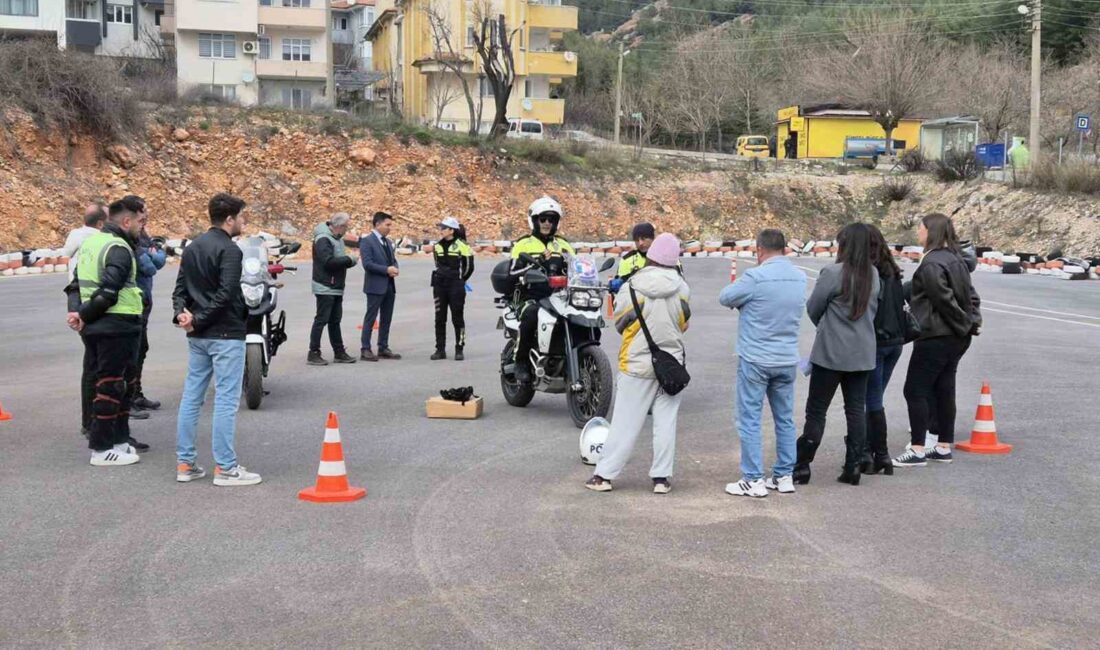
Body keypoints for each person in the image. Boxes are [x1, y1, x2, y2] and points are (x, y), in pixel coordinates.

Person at [586, 233, 690, 494]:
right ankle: (661, 479)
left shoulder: (631, 286)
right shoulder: (682, 288)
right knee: (665, 423)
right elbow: (684, 324)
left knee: (625, 422)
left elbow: (621, 323)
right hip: (671, 365)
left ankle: (604, 476)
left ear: (651, 256)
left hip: (636, 363)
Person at [172, 193, 261, 486]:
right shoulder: (231, 251)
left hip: (197, 336)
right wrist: (195, 318)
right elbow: (226, 294)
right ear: (229, 219)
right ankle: (225, 467)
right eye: (241, 217)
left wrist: (182, 315)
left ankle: (185, 463)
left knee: (192, 397)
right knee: (225, 400)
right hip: (224, 333)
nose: (243, 222)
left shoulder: (193, 247)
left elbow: (180, 289)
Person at [719, 229, 807, 498]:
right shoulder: (800, 277)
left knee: (750, 419)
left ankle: (753, 478)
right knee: (784, 419)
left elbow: (725, 297)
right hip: (786, 358)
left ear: (759, 251)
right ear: (785, 249)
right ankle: (783, 475)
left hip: (756, 357)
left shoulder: (755, 277)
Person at [793, 223, 880, 486]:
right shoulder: (873, 275)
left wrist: (828, 326)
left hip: (831, 352)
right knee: (855, 409)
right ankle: (853, 466)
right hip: (863, 352)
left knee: (817, 410)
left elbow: (813, 307)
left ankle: (803, 465)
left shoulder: (832, 272)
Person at [892, 214, 981, 468]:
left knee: (915, 389)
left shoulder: (931, 263)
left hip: (936, 335)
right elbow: (971, 297)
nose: (917, 233)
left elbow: (944, 301)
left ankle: (918, 448)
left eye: (920, 228)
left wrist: (963, 324)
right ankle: (943, 446)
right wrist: (971, 323)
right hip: (955, 339)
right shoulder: (956, 259)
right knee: (944, 388)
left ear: (930, 231)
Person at [64, 197, 146, 467]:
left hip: (102, 325)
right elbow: (109, 292)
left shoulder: (90, 244)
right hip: (115, 325)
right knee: (110, 386)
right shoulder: (118, 247)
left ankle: (119, 440)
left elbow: (75, 285)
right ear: (126, 221)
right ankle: (101, 448)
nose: (141, 227)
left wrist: (77, 313)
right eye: (140, 221)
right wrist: (84, 316)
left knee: (122, 384)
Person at [509, 196, 575, 384]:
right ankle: (520, 362)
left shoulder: (563, 245)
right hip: (528, 296)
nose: (547, 223)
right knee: (531, 314)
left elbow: (577, 268)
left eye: (552, 219)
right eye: (543, 219)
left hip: (559, 297)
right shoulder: (523, 244)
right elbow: (512, 272)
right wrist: (538, 265)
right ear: (535, 220)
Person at [861, 225, 906, 476]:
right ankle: (877, 453)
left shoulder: (869, 274)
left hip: (876, 342)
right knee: (875, 398)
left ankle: (875, 453)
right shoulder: (893, 271)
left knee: (871, 400)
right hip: (895, 342)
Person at [66, 201, 107, 439]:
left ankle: (90, 420)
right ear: (101, 222)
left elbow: (69, 269)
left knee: (91, 365)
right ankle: (95, 423)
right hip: (91, 307)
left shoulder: (76, 237)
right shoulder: (97, 243)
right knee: (98, 367)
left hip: (79, 303)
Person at [131, 197, 166, 425]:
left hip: (145, 300)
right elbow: (151, 265)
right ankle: (129, 398)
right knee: (133, 351)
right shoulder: (132, 240)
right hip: (135, 302)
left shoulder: (143, 235)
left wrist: (155, 252)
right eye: (143, 213)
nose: (146, 217)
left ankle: (137, 393)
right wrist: (155, 253)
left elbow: (158, 259)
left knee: (142, 348)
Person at [309, 212, 358, 366]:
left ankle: (339, 352)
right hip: (325, 285)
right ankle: (313, 352)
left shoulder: (337, 239)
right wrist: (349, 260)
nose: (346, 230)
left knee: (335, 321)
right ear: (340, 226)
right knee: (322, 319)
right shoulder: (323, 239)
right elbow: (328, 262)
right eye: (346, 227)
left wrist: (347, 261)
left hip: (335, 286)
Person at [359, 211, 402, 362]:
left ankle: (383, 346)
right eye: (387, 225)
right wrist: (386, 270)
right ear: (377, 224)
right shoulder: (367, 241)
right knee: (371, 317)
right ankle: (365, 348)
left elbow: (392, 259)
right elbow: (367, 264)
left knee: (386, 317)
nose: (389, 228)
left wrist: (394, 268)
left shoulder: (388, 242)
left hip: (389, 285)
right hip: (375, 285)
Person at [431, 216, 474, 361]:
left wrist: (461, 280)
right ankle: (440, 349)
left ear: (451, 230)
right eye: (441, 227)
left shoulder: (462, 245)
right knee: (439, 318)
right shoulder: (437, 246)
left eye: (443, 228)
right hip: (439, 286)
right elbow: (437, 263)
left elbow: (469, 267)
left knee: (458, 318)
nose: (441, 230)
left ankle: (459, 348)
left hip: (456, 286)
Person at [63, 200, 107, 282]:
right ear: (100, 224)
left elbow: (66, 254)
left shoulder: (75, 234)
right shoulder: (105, 239)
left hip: (74, 289)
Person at [609, 222, 655, 294]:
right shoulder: (626, 260)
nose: (640, 243)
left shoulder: (666, 258)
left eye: (643, 239)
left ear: (652, 238)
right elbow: (621, 290)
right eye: (637, 240)